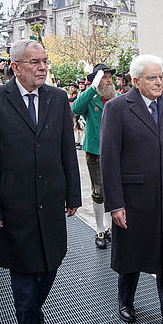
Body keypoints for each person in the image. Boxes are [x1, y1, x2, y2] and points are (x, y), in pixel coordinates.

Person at [0, 39, 81, 324]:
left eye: (45, 61)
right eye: (35, 62)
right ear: (16, 66)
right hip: (14, 209)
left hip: (51, 205)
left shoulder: (57, 99)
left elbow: (68, 150)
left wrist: (73, 196)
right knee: (23, 283)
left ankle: (32, 313)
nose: (43, 67)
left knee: (50, 267)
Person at [100, 54, 163, 324]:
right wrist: (115, 204)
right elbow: (109, 159)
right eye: (152, 78)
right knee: (132, 256)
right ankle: (125, 300)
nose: (159, 83)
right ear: (136, 80)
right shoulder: (116, 108)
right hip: (133, 198)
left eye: (161, 77)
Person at [72, 63, 118, 249]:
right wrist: (92, 86)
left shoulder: (117, 97)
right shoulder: (91, 97)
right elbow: (76, 108)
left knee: (113, 190)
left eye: (109, 77)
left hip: (115, 151)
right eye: (104, 77)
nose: (108, 80)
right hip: (96, 151)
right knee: (99, 192)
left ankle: (109, 227)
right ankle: (100, 228)